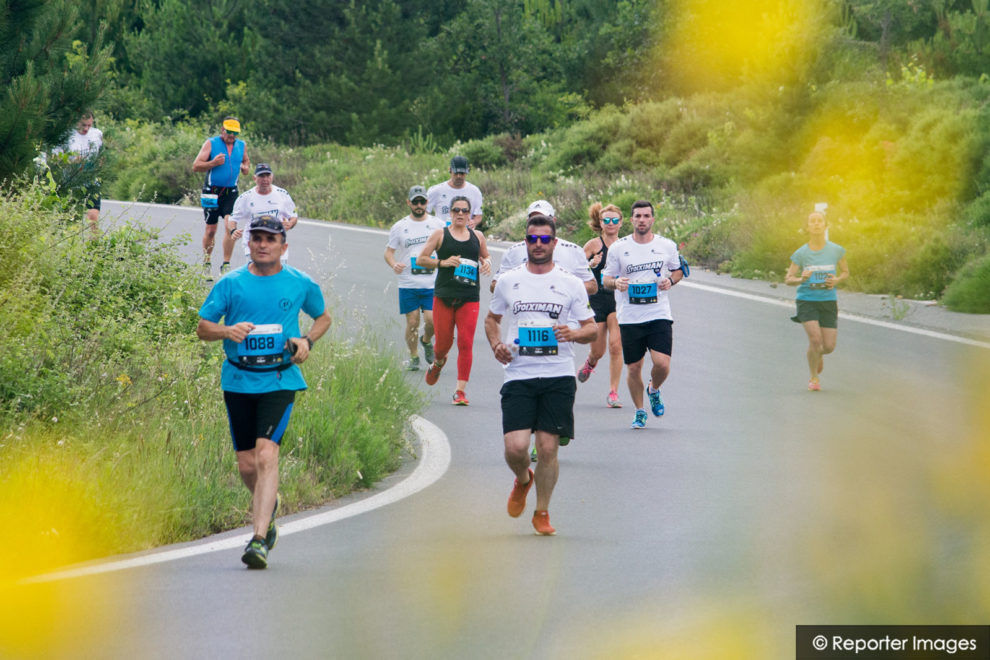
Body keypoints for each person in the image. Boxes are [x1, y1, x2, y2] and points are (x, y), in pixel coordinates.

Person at [196, 216, 332, 569]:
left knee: (266, 454)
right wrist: (228, 332)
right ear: (249, 244)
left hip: (280, 378)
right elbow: (203, 327)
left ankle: (258, 539)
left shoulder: (300, 283)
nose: (262, 244)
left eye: (270, 239)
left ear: (283, 246)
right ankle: (268, 507)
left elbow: (323, 318)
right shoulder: (231, 284)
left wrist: (306, 341)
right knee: (246, 464)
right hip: (239, 379)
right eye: (256, 238)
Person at [485, 213, 597, 535]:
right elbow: (492, 320)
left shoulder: (571, 283)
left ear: (554, 243)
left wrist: (572, 334)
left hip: (558, 375)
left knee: (548, 448)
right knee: (516, 448)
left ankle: (542, 511)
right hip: (519, 373)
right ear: (525, 243)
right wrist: (496, 345)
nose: (538, 245)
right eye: (532, 239)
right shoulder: (509, 281)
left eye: (544, 239)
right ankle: (523, 480)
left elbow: (591, 330)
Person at [601, 200, 683, 429]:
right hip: (630, 317)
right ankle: (639, 411)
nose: (642, 220)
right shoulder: (619, 248)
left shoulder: (666, 245)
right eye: (638, 216)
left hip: (658, 313)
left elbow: (678, 271)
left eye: (646, 216)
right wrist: (616, 282)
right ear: (631, 220)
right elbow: (605, 279)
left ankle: (653, 389)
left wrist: (670, 280)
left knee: (662, 364)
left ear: (653, 219)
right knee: (634, 367)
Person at [415, 196, 492, 405]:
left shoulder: (478, 236)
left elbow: (486, 256)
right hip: (444, 297)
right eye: (456, 210)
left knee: (466, 343)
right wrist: (443, 262)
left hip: (469, 298)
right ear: (450, 213)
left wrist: (486, 263)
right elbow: (422, 259)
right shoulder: (441, 234)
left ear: (470, 214)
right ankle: (438, 362)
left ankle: (460, 391)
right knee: (442, 345)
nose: (460, 214)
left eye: (464, 210)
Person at [784, 211, 849, 391]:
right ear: (808, 227)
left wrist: (836, 280)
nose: (816, 224)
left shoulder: (836, 250)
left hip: (828, 300)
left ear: (825, 225)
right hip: (807, 300)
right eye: (812, 221)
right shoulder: (801, 253)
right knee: (815, 339)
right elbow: (788, 279)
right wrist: (801, 279)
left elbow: (845, 272)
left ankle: (818, 354)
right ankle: (814, 378)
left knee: (828, 346)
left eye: (820, 221)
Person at [384, 185, 445, 370]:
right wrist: (394, 264)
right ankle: (413, 356)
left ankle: (426, 341)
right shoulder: (399, 226)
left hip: (432, 282)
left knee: (431, 320)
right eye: (416, 202)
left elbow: (448, 247)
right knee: (412, 322)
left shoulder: (438, 224)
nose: (419, 205)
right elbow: (388, 252)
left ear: (427, 202)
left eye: (423, 202)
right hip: (408, 282)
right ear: (409, 202)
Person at [490, 200, 597, 297]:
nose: (539, 222)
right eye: (533, 219)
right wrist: (520, 286)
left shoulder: (574, 250)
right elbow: (494, 285)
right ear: (527, 222)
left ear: (553, 220)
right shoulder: (513, 251)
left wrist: (564, 288)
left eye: (544, 219)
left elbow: (592, 286)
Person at [578, 202, 626, 408]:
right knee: (599, 351)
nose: (611, 223)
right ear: (600, 222)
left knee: (616, 346)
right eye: (607, 220)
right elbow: (575, 270)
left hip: (618, 300)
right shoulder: (592, 246)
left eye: (615, 220)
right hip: (596, 300)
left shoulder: (626, 246)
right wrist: (591, 265)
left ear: (621, 223)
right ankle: (591, 362)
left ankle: (613, 392)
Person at [192, 117, 250, 280]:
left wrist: (245, 168)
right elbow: (196, 166)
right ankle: (207, 263)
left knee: (230, 226)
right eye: (229, 132)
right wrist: (213, 163)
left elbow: (246, 161)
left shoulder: (242, 145)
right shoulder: (211, 143)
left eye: (235, 133)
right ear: (222, 130)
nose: (232, 135)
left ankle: (226, 264)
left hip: (231, 192)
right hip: (211, 191)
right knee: (211, 230)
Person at [224, 163, 298, 272]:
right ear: (255, 178)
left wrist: (290, 224)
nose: (265, 179)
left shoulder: (282, 194)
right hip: (254, 243)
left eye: (268, 176)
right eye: (262, 176)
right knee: (258, 276)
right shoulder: (246, 197)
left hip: (277, 242)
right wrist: (233, 230)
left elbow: (293, 216)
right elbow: (232, 219)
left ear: (272, 176)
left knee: (278, 277)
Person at [52, 111, 104, 238]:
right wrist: (71, 160)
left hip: (91, 180)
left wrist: (100, 165)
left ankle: (95, 246)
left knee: (93, 216)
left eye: (89, 125)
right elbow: (54, 157)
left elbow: (102, 155)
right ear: (76, 122)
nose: (86, 128)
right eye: (83, 125)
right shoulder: (66, 135)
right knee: (69, 219)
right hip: (71, 181)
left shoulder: (97, 134)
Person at [426, 155, 483, 228]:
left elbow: (478, 215)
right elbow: (425, 212)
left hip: (465, 234)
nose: (459, 176)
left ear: (467, 172)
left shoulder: (475, 191)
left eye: (462, 173)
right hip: (443, 234)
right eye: (456, 173)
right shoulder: (436, 191)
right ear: (450, 170)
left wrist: (474, 222)